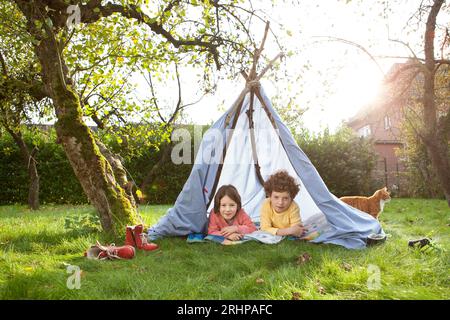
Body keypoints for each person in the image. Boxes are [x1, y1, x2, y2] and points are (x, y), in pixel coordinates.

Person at [260, 170, 306, 237]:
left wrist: (295, 231)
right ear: (270, 195)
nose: (280, 202)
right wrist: (289, 231)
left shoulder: (293, 207)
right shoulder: (266, 204)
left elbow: (296, 230)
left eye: (285, 198)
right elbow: (264, 229)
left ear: (292, 198)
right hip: (286, 230)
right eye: (276, 197)